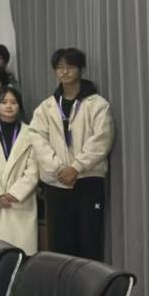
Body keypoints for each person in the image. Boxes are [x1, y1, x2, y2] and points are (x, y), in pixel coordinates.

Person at [30, 48, 114, 261]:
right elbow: (37, 139)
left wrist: (75, 167)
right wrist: (58, 168)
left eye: (70, 67)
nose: (64, 71)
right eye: (59, 67)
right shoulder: (46, 107)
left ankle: (92, 281)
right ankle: (65, 281)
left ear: (81, 69)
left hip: (88, 181)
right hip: (56, 182)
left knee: (90, 238)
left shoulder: (97, 104)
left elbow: (101, 140)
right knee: (61, 242)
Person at [0, 87, 44, 255]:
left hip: (20, 200)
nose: (9, 106)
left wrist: (16, 193)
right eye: (4, 102)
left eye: (13, 102)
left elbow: (34, 168)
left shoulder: (30, 132)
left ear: (19, 106)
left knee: (23, 252)